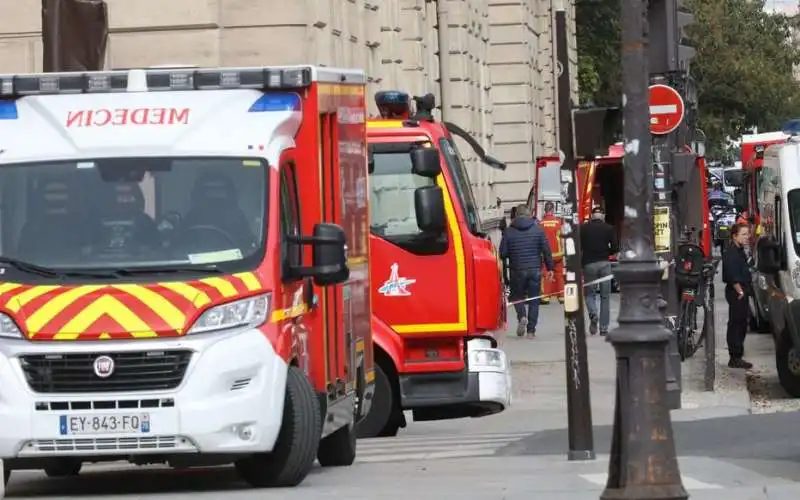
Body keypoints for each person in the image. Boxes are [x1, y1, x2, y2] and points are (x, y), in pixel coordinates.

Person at [499, 204, 554, 338]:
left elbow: (502, 253)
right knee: (534, 300)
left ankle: (522, 316)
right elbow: (546, 250)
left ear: (516, 215)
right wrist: (550, 268)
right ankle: (531, 331)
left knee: (517, 297)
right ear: (529, 215)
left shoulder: (509, 231)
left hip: (517, 270)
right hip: (535, 270)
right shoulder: (538, 230)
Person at [580, 206, 618, 336]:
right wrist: (607, 252)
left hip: (588, 264)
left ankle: (593, 313)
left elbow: (578, 246)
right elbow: (615, 247)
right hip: (604, 264)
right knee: (605, 296)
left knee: (589, 294)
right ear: (603, 216)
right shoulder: (609, 228)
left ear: (591, 216)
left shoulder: (583, 228)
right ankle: (603, 328)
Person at [722, 223, 754, 369]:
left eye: (748, 234)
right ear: (735, 236)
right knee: (737, 323)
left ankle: (737, 354)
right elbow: (730, 274)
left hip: (741, 290)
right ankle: (735, 356)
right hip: (737, 292)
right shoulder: (731, 252)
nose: (747, 237)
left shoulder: (739, 250)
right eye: (743, 234)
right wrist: (740, 291)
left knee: (742, 323)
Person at [540, 201, 564, 305]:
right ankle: (562, 296)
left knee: (546, 274)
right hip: (558, 253)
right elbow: (562, 237)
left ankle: (546, 297)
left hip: (546, 254)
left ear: (545, 210)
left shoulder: (540, 223)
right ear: (553, 210)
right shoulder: (558, 222)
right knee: (559, 274)